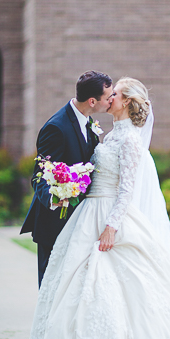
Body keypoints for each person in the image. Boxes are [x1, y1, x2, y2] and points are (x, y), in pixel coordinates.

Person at [22, 78, 170, 339]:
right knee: (74, 288)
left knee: (112, 291)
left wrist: (111, 226)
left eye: (115, 93)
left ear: (127, 102)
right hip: (87, 213)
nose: (110, 97)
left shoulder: (130, 140)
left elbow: (127, 190)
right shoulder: (109, 134)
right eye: (109, 92)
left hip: (109, 218)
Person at [20, 71, 113, 287]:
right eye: (108, 96)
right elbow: (40, 175)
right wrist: (54, 198)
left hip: (79, 221)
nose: (111, 100)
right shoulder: (56, 127)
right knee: (50, 286)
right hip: (54, 222)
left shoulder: (87, 121)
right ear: (92, 101)